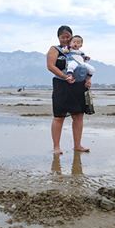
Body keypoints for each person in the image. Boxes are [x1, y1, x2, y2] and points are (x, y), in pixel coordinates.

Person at [47, 25, 91, 154]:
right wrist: (64, 76)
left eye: (68, 37)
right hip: (62, 85)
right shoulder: (55, 49)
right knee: (59, 116)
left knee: (78, 116)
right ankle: (56, 147)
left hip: (78, 85)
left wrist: (88, 80)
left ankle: (77, 145)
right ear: (58, 37)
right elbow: (50, 66)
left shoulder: (78, 52)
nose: (66, 39)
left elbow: (85, 67)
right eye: (63, 37)